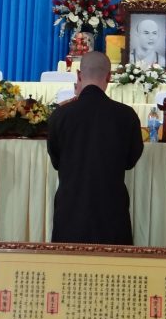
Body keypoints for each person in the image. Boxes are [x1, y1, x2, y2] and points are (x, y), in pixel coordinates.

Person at [47, 51, 144, 244]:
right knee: (113, 262)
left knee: (67, 261)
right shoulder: (126, 115)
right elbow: (130, 161)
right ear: (109, 76)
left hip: (71, 209)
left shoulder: (60, 115)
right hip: (112, 210)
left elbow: (56, 161)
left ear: (78, 75)